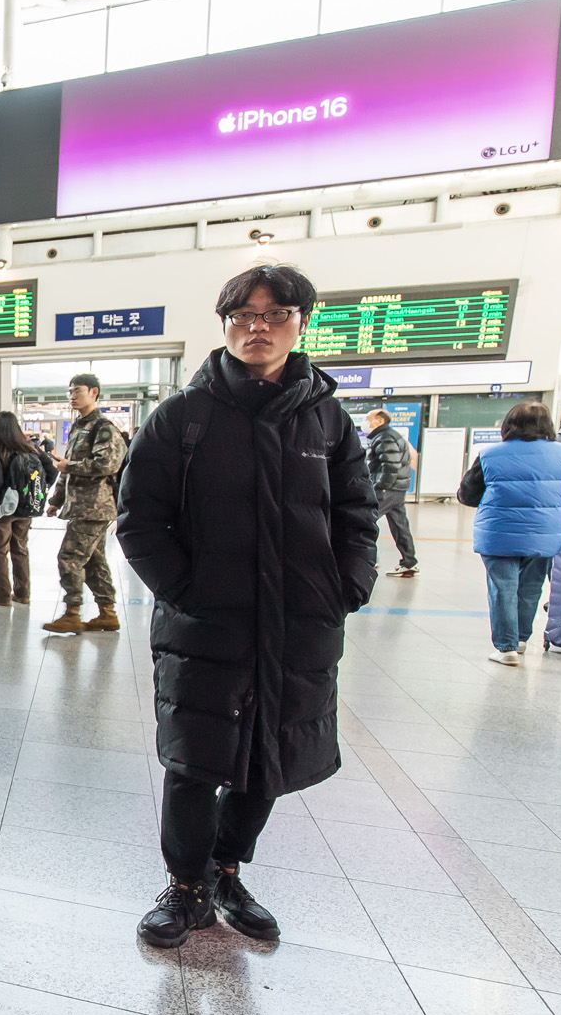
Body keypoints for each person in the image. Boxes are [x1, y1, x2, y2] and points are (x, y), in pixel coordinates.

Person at [116, 264, 378, 948]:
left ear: (301, 323)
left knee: (270, 755)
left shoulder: (327, 418)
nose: (257, 327)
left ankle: (227, 871)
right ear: (226, 324)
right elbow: (139, 519)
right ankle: (186, 886)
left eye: (274, 314)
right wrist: (186, 591)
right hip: (207, 623)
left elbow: (357, 511)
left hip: (300, 622)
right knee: (195, 758)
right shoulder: (182, 417)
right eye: (243, 316)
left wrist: (347, 586)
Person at [459, 400, 561, 666]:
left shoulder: (490, 454)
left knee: (503, 588)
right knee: (531, 587)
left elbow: (468, 495)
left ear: (508, 425)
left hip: (498, 532)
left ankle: (506, 648)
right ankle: (521, 639)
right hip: (546, 533)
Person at [43, 374, 127, 633]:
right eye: (70, 391)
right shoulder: (79, 428)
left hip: (94, 507)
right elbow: (65, 468)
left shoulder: (103, 428)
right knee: (93, 561)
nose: (72, 396)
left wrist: (71, 466)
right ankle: (107, 613)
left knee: (69, 557)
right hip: (80, 506)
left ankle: (72, 613)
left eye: (77, 391)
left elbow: (107, 464)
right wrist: (56, 500)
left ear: (94, 392)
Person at [0, 410, 51, 607]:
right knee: (20, 549)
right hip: (26, 508)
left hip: (3, 509)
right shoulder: (32, 449)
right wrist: (37, 491)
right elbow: (50, 470)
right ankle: (22, 593)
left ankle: (2, 596)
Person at [364, 409, 419, 577]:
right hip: (397, 489)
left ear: (380, 421)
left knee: (366, 520)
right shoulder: (390, 435)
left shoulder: (385, 437)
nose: (366, 423)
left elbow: (390, 464)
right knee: (400, 526)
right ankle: (409, 563)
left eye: (368, 419)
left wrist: (382, 486)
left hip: (387, 489)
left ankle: (369, 560)